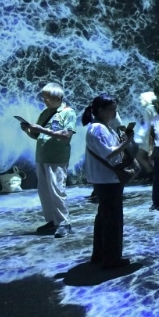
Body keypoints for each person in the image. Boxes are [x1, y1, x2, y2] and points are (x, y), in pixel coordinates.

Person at [82, 93, 133, 269]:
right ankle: (111, 259)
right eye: (112, 109)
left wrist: (121, 142)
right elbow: (109, 153)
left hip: (106, 179)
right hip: (107, 179)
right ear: (101, 110)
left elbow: (110, 149)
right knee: (112, 219)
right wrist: (127, 142)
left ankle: (100, 254)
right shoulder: (98, 128)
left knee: (105, 217)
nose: (115, 113)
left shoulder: (103, 127)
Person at [20, 82, 77, 238]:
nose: (44, 100)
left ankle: (64, 223)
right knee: (44, 192)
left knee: (57, 191)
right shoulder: (45, 112)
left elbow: (66, 135)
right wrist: (28, 131)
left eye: (47, 97)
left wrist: (41, 129)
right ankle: (52, 221)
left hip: (57, 158)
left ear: (57, 97)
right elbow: (38, 135)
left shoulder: (68, 113)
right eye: (43, 97)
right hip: (42, 157)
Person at [135, 91, 157, 177]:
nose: (140, 101)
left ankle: (153, 174)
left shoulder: (148, 109)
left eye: (141, 99)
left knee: (140, 157)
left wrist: (139, 136)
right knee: (150, 158)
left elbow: (147, 125)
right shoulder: (152, 108)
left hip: (148, 139)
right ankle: (155, 174)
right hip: (151, 137)